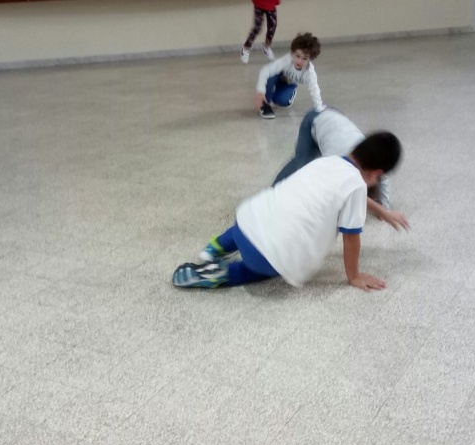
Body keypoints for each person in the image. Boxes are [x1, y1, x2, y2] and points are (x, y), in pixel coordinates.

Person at [172, 131, 402, 291]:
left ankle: (216, 247)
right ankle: (219, 274)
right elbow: (351, 238)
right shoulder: (357, 187)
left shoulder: (329, 161)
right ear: (377, 174)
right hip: (263, 256)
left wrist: (381, 211)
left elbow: (348, 192)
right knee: (274, 265)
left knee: (262, 216)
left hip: (245, 223)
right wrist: (354, 276)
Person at [274, 106, 410, 231]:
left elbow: (381, 178)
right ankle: (274, 191)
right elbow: (347, 190)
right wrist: (381, 211)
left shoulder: (373, 160)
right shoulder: (337, 163)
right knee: (301, 162)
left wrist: (384, 206)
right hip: (314, 120)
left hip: (334, 121)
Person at [255, 32, 322, 119]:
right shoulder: (287, 60)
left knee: (281, 101)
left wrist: (319, 109)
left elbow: (314, 89)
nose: (299, 61)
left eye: (305, 58)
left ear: (310, 59)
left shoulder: (310, 73)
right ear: (292, 53)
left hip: (289, 83)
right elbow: (265, 70)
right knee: (270, 77)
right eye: (297, 56)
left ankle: (289, 93)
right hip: (277, 77)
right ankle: (264, 104)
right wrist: (261, 92)